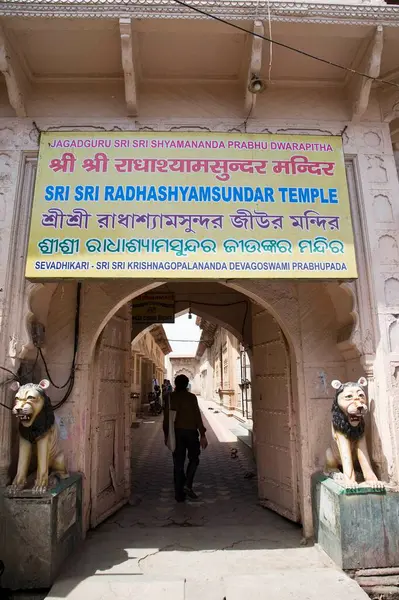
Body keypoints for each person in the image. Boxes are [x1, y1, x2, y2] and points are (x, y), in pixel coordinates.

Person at [163, 374, 208, 502]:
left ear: (176, 384)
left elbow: (167, 418)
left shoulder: (170, 397)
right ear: (187, 384)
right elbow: (197, 416)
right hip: (191, 433)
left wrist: (166, 435)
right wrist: (203, 434)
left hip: (176, 433)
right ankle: (188, 484)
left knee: (178, 463)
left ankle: (179, 495)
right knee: (194, 459)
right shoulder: (191, 397)